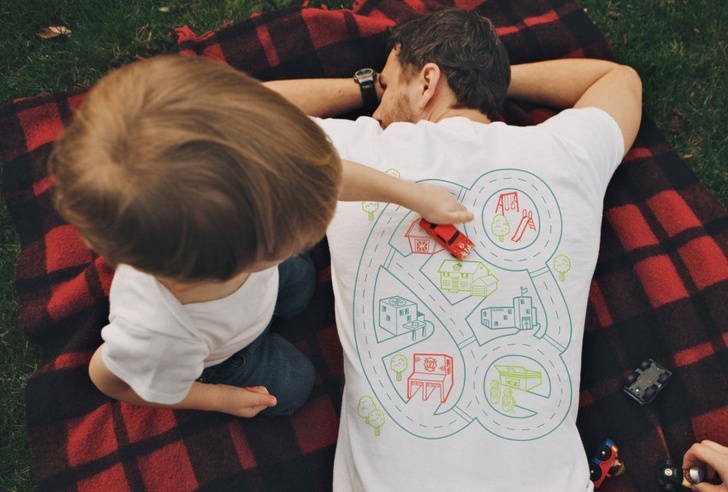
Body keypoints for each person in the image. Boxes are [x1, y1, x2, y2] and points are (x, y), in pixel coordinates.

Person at [266, 7, 642, 490]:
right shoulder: (568, 153)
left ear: (427, 82)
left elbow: (221, 111)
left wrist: (361, 88)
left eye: (386, 86)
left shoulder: (354, 152)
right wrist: (485, 79)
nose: (377, 108)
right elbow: (620, 79)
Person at [49, 54, 471, 418]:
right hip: (227, 354)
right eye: (287, 233)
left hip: (258, 290)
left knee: (300, 280)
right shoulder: (157, 333)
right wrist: (219, 398)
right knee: (295, 384)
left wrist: (414, 196)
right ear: (230, 263)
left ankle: (278, 292)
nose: (307, 228)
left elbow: (326, 174)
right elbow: (109, 378)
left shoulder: (246, 183)